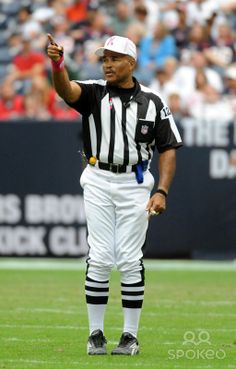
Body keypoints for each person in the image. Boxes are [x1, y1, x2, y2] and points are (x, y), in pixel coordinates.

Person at [47, 33, 182, 355]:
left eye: (115, 58)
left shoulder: (153, 101)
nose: (107, 64)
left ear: (131, 63)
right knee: (100, 256)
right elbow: (66, 90)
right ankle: (95, 333)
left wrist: (162, 190)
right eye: (104, 59)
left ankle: (129, 336)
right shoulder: (94, 93)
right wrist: (58, 64)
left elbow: (168, 149)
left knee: (130, 258)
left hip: (134, 183)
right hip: (97, 177)